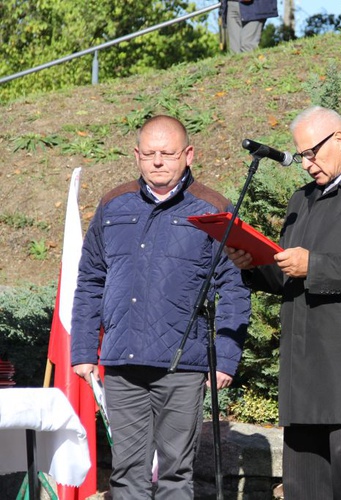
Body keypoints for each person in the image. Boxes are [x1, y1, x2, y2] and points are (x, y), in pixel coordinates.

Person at [225, 106, 341, 499]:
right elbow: (287, 273)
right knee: (303, 488)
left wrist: (315, 265)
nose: (307, 164)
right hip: (303, 368)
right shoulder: (302, 200)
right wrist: (253, 265)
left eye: (313, 152)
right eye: (302, 156)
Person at [70, 115, 251, 498]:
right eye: (149, 153)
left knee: (175, 474)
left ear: (188, 155)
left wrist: (227, 357)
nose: (157, 162)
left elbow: (234, 288)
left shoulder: (214, 209)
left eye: (167, 154)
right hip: (122, 365)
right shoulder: (113, 205)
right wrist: (84, 350)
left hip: (182, 367)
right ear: (136, 155)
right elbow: (89, 280)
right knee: (127, 473)